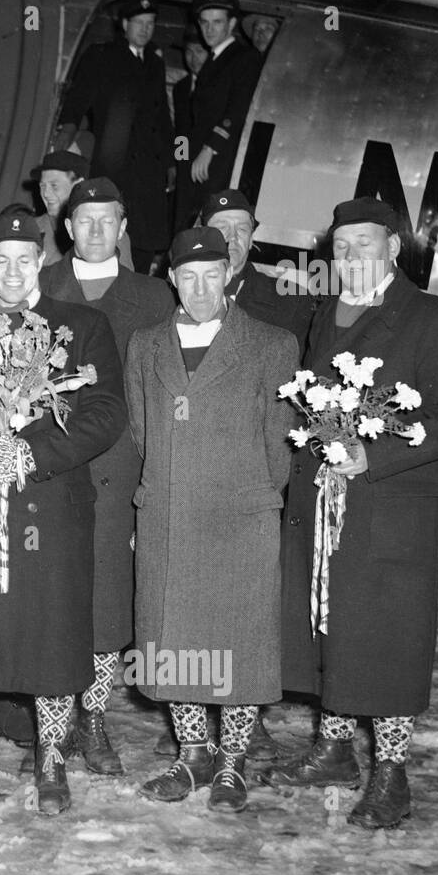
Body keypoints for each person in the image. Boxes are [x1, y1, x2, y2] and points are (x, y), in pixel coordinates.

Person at [265, 197, 438, 829]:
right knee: (329, 627)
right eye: (342, 244)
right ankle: (333, 750)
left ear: (393, 247)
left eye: (366, 242)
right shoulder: (326, 313)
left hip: (387, 505)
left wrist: (372, 452)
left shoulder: (434, 317)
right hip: (323, 505)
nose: (352, 254)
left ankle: (392, 772)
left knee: (385, 640)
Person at [0, 208, 126, 814]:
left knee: (53, 633)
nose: (12, 272)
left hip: (51, 500)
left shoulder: (83, 326)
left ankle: (53, 757)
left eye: (24, 260)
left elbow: (105, 413)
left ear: (41, 262)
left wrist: (30, 452)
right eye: (0, 261)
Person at [126, 227, 297, 812]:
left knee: (238, 643)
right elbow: (141, 432)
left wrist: (249, 496)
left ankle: (232, 763)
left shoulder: (271, 344)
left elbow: (280, 443)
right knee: (176, 639)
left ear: (229, 274)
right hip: (169, 514)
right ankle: (193, 754)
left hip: (240, 515)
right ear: (172, 278)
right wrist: (168, 490)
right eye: (188, 276)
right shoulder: (146, 344)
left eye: (212, 274)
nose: (201, 288)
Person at [40, 177, 176, 776]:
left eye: (107, 221)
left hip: (119, 469)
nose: (95, 231)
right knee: (49, 595)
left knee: (105, 602)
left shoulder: (152, 297)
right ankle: (52, 725)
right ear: (66, 229)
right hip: (47, 467)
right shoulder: (39, 286)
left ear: (123, 229)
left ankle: (93, 720)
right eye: (83, 220)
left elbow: (161, 389)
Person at [55, 0, 175, 271]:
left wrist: (172, 161)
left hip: (149, 166)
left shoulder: (155, 61)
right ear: (124, 25)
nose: (145, 29)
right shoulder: (102, 55)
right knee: (113, 229)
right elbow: (78, 99)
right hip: (115, 161)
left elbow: (163, 118)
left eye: (150, 24)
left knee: (145, 239)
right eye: (139, 23)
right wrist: (67, 129)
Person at [201, 189, 316, 345]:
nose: (233, 237)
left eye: (242, 229)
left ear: (251, 240)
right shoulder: (173, 295)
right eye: (222, 228)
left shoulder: (291, 301)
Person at [185, 0, 262, 214]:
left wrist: (210, 148)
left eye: (217, 22)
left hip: (220, 157)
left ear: (231, 24)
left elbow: (237, 109)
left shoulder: (244, 57)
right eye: (204, 22)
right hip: (204, 156)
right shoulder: (214, 59)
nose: (209, 29)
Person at [171, 36, 209, 232]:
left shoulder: (218, 84)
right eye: (189, 52)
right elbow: (181, 132)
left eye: (199, 51)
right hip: (187, 166)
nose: (194, 58)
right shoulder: (181, 88)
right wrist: (179, 163)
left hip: (210, 165)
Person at [32, 150, 88, 267]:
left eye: (54, 186)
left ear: (78, 186)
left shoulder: (105, 233)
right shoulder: (32, 227)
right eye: (42, 186)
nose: (46, 193)